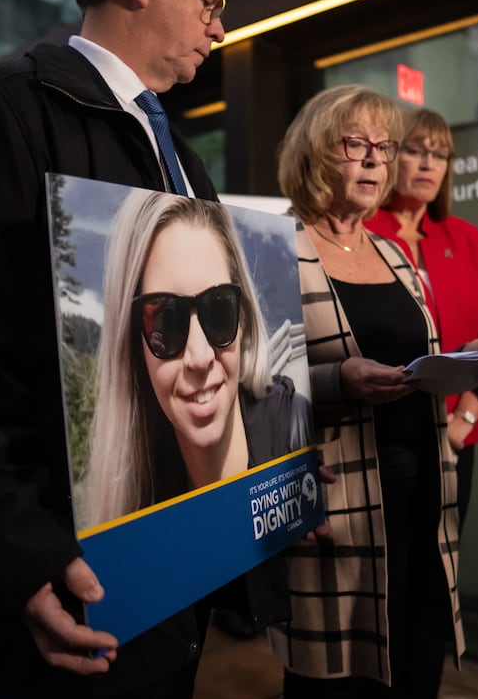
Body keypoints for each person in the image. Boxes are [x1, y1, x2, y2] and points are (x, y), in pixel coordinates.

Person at [0, 0, 252, 699]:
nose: (219, 28)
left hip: (176, 551)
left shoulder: (182, 160)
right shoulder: (6, 101)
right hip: (77, 557)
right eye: (209, 1)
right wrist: (17, 548)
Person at [271, 85, 478, 699]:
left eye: (384, 146)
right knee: (333, 691)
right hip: (337, 508)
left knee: (414, 679)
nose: (377, 161)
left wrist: (463, 383)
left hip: (422, 503)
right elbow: (252, 383)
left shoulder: (396, 255)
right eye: (358, 145)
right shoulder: (275, 251)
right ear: (319, 152)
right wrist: (337, 381)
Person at [84, 190, 310, 526]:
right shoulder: (136, 516)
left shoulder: (293, 429)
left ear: (244, 319)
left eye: (219, 310)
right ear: (135, 348)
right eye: (166, 322)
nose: (200, 357)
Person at [365, 107, 478, 523]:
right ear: (391, 156)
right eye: (415, 150)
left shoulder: (465, 239)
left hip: (458, 439)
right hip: (383, 440)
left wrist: (466, 414)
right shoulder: (362, 230)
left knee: (444, 570)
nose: (429, 163)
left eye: (440, 153)